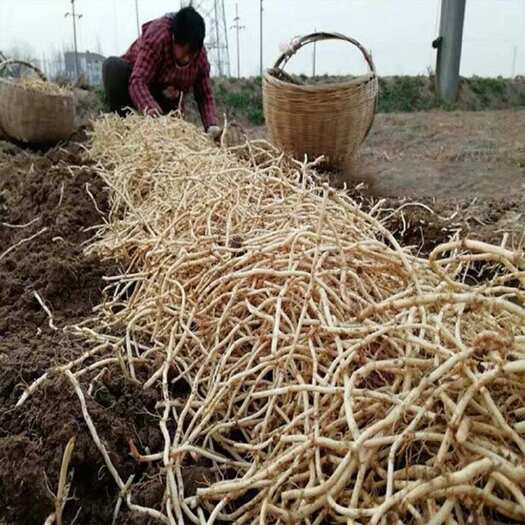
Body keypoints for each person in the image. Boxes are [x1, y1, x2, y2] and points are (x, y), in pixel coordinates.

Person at [102, 6, 221, 138]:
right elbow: (138, 81)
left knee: (173, 130)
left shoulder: (199, 55)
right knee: (112, 66)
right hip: (136, 89)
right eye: (183, 51)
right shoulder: (158, 36)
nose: (187, 58)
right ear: (174, 38)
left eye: (191, 53)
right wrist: (156, 117)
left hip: (167, 98)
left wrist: (211, 124)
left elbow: (204, 94)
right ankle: (123, 129)